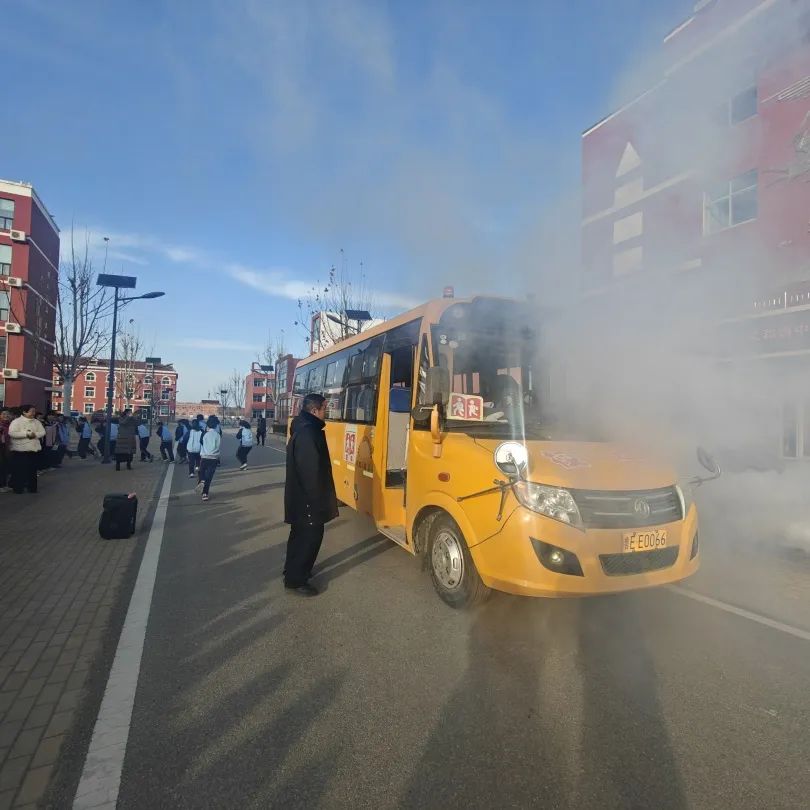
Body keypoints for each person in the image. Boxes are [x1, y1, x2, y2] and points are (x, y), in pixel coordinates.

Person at [283, 394, 338, 597]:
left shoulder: (304, 427)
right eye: (325, 409)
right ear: (315, 410)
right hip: (308, 500)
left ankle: (295, 570)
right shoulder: (308, 432)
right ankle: (296, 579)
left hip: (301, 498)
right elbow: (311, 471)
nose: (326, 413)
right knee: (310, 537)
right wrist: (317, 502)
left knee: (299, 537)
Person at [8, 404, 45, 494]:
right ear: (24, 412)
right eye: (31, 411)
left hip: (33, 450)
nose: (33, 413)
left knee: (32, 471)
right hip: (20, 451)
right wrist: (27, 434)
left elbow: (42, 432)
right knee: (19, 471)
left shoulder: (36, 422)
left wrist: (34, 435)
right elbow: (12, 433)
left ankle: (32, 488)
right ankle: (18, 489)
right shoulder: (16, 422)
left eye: (34, 411)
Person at [195, 415, 221, 501]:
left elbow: (201, 442)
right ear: (215, 425)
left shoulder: (204, 433)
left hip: (204, 456)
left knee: (201, 471)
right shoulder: (217, 435)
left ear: (208, 425)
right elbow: (218, 446)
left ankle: (202, 481)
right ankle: (205, 494)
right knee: (209, 477)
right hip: (214, 458)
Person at [0, 409, 12, 492]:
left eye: (8, 414)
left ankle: (4, 484)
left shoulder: (10, 425)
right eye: (4, 414)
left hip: (8, 449)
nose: (6, 416)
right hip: (1, 448)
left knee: (5, 467)